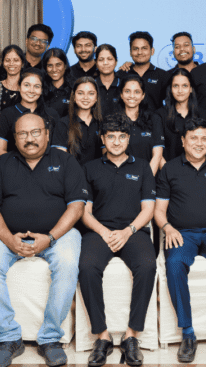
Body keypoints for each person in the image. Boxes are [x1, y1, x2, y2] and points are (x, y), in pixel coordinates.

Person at [0, 113, 88, 367]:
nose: (30, 139)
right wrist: (8, 239)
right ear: (14, 138)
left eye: (35, 132)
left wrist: (50, 237)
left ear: (47, 134)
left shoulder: (65, 161)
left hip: (57, 234)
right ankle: (7, 338)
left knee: (68, 262)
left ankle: (50, 338)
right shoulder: (1, 164)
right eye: (23, 134)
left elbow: (76, 206)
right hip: (8, 234)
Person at [155, 118, 206, 363]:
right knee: (174, 264)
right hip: (182, 233)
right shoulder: (170, 169)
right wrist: (168, 228)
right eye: (193, 138)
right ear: (183, 141)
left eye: (204, 138)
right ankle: (188, 333)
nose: (199, 143)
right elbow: (159, 210)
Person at [79, 113, 157, 367]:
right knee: (86, 267)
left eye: (121, 137)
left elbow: (148, 209)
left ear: (128, 138)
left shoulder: (142, 167)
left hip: (133, 231)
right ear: (102, 139)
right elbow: (84, 212)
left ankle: (131, 336)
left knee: (147, 265)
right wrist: (104, 232)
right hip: (98, 231)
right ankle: (102, 337)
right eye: (110, 136)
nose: (116, 142)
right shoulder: (90, 168)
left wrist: (127, 231)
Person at [0, 69, 58, 157]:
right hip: (14, 164)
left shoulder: (51, 114)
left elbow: (57, 150)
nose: (31, 90)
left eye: (37, 86)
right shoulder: (7, 114)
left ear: (42, 90)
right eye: (27, 85)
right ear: (19, 87)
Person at [157, 68, 206, 162]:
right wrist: (168, 170)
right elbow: (158, 153)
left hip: (196, 169)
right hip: (167, 169)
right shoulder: (160, 115)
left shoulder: (202, 114)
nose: (180, 90)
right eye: (175, 86)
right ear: (170, 89)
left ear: (191, 89)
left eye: (184, 86)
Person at [51, 77, 104, 165]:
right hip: (71, 172)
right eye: (80, 93)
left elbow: (107, 159)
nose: (85, 97)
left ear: (96, 98)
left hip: (98, 173)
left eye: (91, 93)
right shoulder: (63, 124)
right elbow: (59, 160)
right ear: (74, 97)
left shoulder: (102, 124)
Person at [118, 76, 164, 175]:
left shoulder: (154, 119)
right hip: (121, 178)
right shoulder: (113, 120)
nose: (132, 96)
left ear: (143, 95)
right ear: (121, 94)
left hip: (150, 176)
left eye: (137, 92)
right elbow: (109, 156)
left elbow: (157, 156)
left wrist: (145, 180)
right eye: (127, 91)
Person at [117, 31, 169, 111]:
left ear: (152, 51)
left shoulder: (164, 76)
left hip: (155, 119)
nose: (140, 52)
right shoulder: (121, 75)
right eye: (135, 49)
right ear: (130, 52)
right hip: (125, 119)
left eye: (144, 48)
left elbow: (170, 105)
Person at [0, 45, 25, 115]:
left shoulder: (28, 88)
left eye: (16, 60)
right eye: (7, 60)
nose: (11, 64)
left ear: (22, 63)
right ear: (3, 63)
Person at [42, 48, 74, 118]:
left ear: (65, 66)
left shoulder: (74, 89)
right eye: (50, 65)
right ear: (45, 68)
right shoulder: (40, 89)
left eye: (58, 65)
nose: (54, 69)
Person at [94, 44, 123, 117]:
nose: (105, 63)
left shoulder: (124, 85)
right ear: (96, 63)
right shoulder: (90, 85)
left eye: (109, 59)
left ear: (116, 62)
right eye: (101, 60)